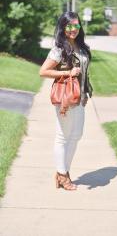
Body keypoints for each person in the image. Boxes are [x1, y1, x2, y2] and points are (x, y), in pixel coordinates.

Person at [39, 11, 93, 191]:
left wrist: (85, 92)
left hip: (80, 97)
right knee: (63, 135)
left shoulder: (82, 47)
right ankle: (63, 174)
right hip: (65, 98)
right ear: (63, 27)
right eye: (69, 26)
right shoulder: (59, 49)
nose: (73, 29)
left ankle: (63, 172)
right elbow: (44, 71)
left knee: (76, 135)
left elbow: (85, 73)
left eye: (76, 25)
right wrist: (67, 73)